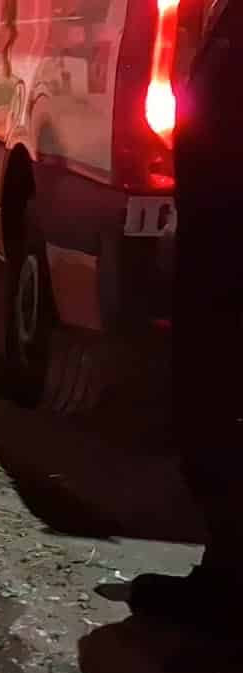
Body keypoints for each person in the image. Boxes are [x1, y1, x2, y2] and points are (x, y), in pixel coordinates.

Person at [124, 0, 239, 630]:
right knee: (208, 414)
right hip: (214, 238)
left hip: (228, 242)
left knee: (222, 418)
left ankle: (227, 608)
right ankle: (223, 578)